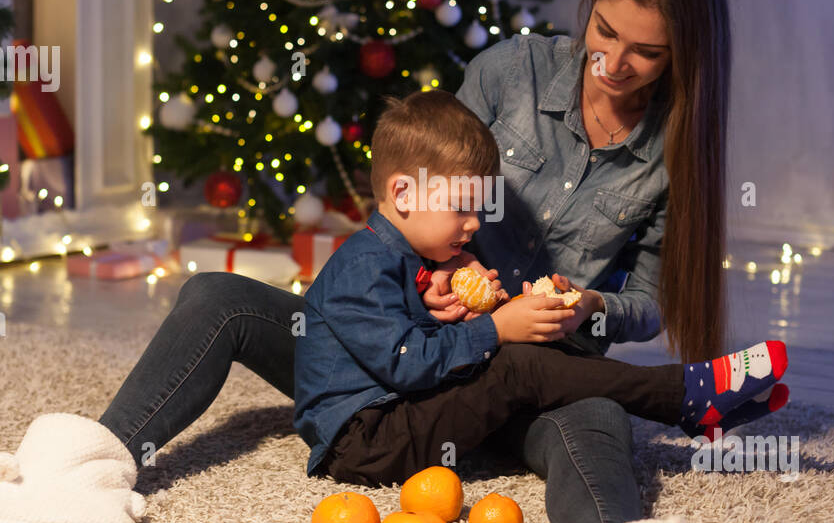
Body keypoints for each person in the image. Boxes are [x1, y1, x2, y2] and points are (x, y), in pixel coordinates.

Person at [0, 0, 763, 523]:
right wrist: (440, 272)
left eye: (645, 53)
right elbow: (432, 179)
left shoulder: (676, 150)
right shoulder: (514, 70)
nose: (611, 64)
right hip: (405, 344)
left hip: (525, 370)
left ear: (684, 57)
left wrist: (588, 305)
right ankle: (84, 479)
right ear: (590, 7)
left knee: (593, 410)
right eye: (604, 32)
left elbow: (648, 305)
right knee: (217, 297)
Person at [296, 89, 789, 494]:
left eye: (479, 209)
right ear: (403, 193)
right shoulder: (362, 264)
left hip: (394, 414)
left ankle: (691, 402)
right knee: (515, 365)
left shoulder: (411, 258)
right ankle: (682, 394)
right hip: (362, 440)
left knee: (531, 348)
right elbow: (406, 363)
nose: (474, 224)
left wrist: (490, 314)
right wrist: (494, 330)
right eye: (461, 208)